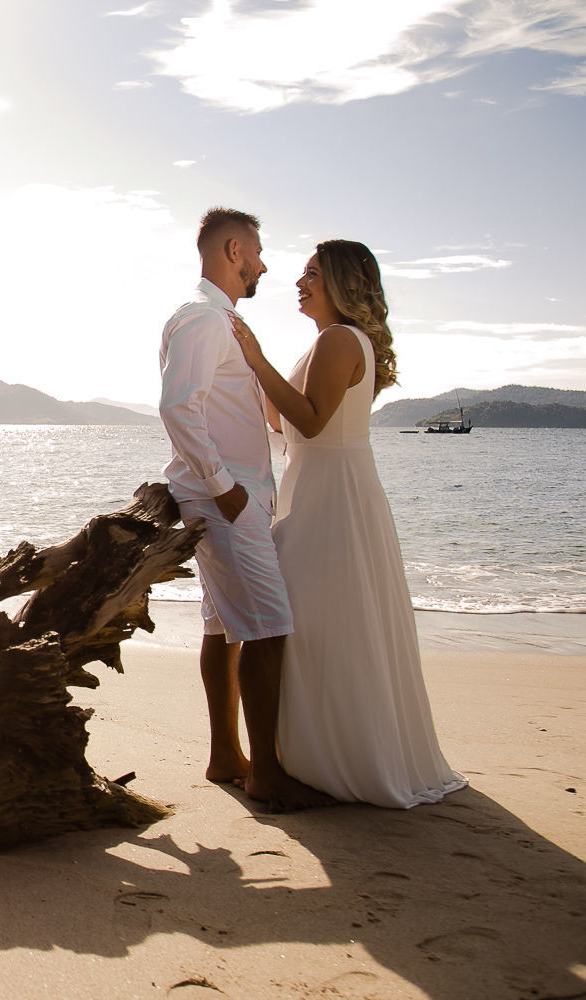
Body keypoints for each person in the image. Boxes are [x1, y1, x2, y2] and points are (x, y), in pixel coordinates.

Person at [229, 239, 467, 808]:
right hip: (321, 488)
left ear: (341, 282)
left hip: (330, 496)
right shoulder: (329, 342)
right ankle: (317, 752)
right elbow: (284, 420)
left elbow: (310, 424)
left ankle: (327, 757)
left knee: (313, 622)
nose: (299, 282)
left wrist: (257, 360)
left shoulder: (338, 340)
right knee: (321, 621)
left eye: (311, 274)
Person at [159, 207, 332, 810]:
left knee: (222, 625)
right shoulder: (204, 320)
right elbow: (179, 407)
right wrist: (223, 486)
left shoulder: (220, 321)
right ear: (233, 250)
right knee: (270, 625)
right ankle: (267, 775)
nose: (262, 264)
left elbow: (239, 411)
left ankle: (226, 756)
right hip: (224, 500)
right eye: (257, 251)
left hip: (231, 496)